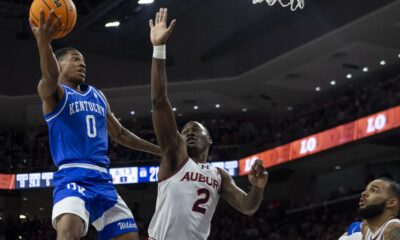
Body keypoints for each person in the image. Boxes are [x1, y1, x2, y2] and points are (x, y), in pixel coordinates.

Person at [29, 9, 161, 240]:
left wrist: (161, 150)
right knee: (68, 232)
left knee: (130, 237)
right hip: (72, 177)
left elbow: (120, 134)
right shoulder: (54, 95)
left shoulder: (98, 96)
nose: (82, 64)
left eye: (84, 61)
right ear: (58, 65)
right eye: (75, 59)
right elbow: (49, 76)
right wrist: (44, 44)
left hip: (102, 180)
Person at [147, 8, 268, 240]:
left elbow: (247, 206)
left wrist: (258, 187)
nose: (189, 131)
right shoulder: (175, 157)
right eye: (184, 130)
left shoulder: (219, 175)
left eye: (196, 128)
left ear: (209, 139)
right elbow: (159, 101)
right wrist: (158, 49)